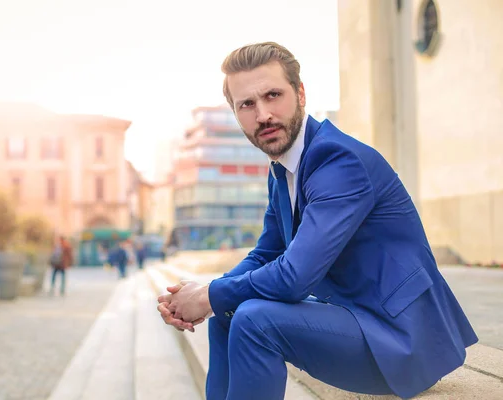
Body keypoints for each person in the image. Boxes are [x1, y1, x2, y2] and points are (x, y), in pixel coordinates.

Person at [156, 42, 477, 400]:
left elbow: (295, 277)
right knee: (227, 314)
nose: (263, 114)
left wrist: (208, 295)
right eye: (247, 104)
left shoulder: (338, 161)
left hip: (400, 338)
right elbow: (266, 253)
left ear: (301, 93)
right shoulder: (282, 168)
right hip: (354, 319)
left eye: (273, 95)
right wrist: (204, 294)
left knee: (253, 320)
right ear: (236, 112)